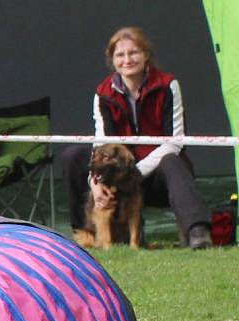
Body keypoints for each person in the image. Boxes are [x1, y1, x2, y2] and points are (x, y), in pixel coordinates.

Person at [62, 26, 212, 249]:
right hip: (117, 175)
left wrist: (136, 172)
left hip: (153, 175)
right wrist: (95, 184)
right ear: (112, 60)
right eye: (120, 55)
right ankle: (83, 233)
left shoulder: (168, 85)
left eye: (133, 53)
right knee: (72, 155)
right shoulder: (103, 93)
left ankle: (198, 231)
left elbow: (175, 141)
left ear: (146, 55)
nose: (127, 60)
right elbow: (102, 143)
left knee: (173, 160)